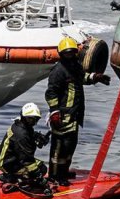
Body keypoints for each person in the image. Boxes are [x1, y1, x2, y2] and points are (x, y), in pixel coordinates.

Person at [45, 37, 111, 186]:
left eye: (72, 53)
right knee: (59, 147)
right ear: (61, 54)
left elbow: (82, 78)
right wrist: (54, 112)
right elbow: (51, 93)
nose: (70, 55)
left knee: (71, 144)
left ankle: (64, 171)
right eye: (66, 53)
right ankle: (55, 175)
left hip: (75, 113)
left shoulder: (75, 66)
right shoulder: (58, 71)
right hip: (62, 115)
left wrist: (96, 77)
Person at [0, 103, 50, 186]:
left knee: (39, 166)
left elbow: (28, 135)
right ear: (24, 117)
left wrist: (38, 136)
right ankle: (17, 179)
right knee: (42, 169)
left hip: (8, 159)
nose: (33, 122)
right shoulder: (21, 134)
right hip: (8, 163)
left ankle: (12, 175)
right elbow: (26, 159)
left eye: (35, 119)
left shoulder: (20, 125)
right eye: (30, 119)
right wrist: (38, 176)